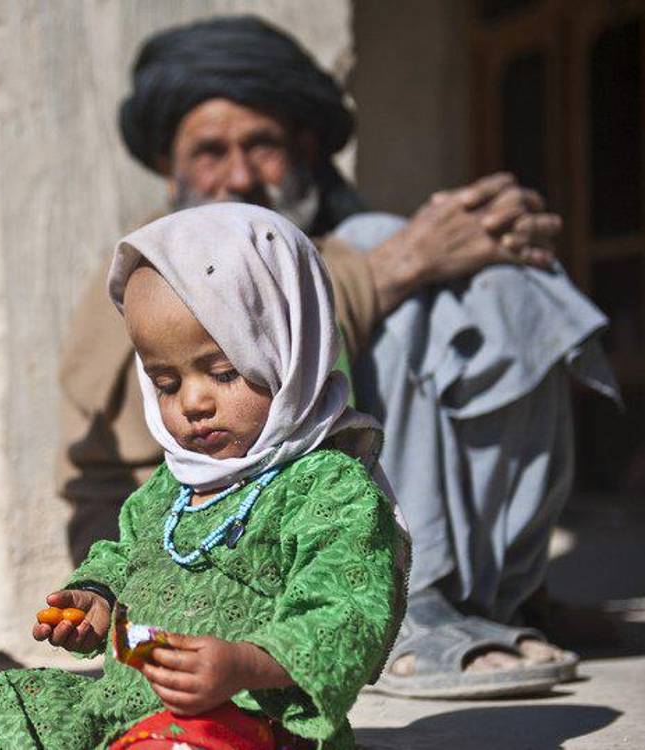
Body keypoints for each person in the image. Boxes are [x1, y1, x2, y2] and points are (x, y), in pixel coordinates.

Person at [61, 15, 618, 699]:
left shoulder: (326, 245)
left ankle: (504, 592)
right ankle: (416, 613)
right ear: (165, 164)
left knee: (482, 275)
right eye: (209, 151)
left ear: (303, 147)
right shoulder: (156, 275)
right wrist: (401, 261)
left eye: (261, 144)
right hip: (220, 550)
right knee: (388, 245)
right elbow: (112, 482)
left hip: (319, 508)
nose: (239, 174)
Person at [0, 204, 406, 750]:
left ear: (288, 350)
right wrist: (95, 598)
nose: (193, 402)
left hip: (251, 719)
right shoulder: (172, 487)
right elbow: (127, 556)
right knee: (15, 712)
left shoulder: (330, 488)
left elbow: (347, 615)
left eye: (224, 373)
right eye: (166, 383)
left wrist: (242, 664)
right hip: (125, 705)